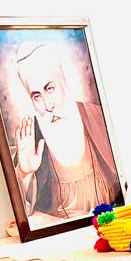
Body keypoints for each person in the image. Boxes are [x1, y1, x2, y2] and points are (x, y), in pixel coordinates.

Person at [11, 42, 119, 220]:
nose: (48, 105)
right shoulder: (31, 138)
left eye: (50, 89)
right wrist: (24, 174)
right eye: (37, 96)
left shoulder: (98, 116)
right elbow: (23, 213)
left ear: (64, 81)